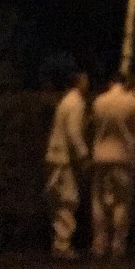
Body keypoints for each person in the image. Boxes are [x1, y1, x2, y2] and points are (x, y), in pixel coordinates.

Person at [90, 73, 135, 258]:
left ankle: (99, 243)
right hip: (123, 155)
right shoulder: (131, 102)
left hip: (101, 154)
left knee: (99, 201)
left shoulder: (99, 101)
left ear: (110, 82)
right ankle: (118, 244)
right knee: (122, 201)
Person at [44, 71, 90, 259]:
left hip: (55, 155)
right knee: (68, 199)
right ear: (79, 82)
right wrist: (83, 154)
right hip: (64, 158)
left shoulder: (65, 101)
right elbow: (73, 131)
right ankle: (62, 243)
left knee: (59, 198)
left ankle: (59, 241)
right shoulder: (76, 103)